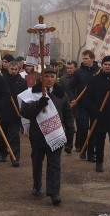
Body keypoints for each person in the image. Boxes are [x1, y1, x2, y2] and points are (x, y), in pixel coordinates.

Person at [19, 67, 75, 206]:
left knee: (54, 164)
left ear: (55, 78)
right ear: (41, 78)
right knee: (37, 162)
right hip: (38, 135)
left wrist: (70, 134)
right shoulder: (32, 93)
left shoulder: (61, 95)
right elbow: (25, 112)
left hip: (56, 135)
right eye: (46, 76)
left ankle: (54, 192)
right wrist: (38, 105)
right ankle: (37, 185)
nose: (49, 79)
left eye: (52, 76)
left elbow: (68, 116)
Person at [70, 50, 99, 161]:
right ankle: (83, 148)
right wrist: (73, 98)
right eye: (83, 58)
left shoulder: (99, 71)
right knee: (83, 127)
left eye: (86, 58)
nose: (84, 60)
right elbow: (71, 87)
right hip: (82, 104)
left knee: (94, 129)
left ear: (92, 58)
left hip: (95, 104)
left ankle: (92, 153)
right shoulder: (78, 72)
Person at [0, 61, 28, 167]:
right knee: (3, 134)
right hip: (3, 111)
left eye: (16, 69)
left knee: (14, 136)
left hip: (16, 112)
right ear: (8, 69)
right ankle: (3, 153)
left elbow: (25, 97)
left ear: (19, 70)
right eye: (12, 69)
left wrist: (22, 110)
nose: (14, 71)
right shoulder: (2, 80)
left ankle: (15, 157)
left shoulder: (22, 81)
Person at [58, 60, 78, 154]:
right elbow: (60, 93)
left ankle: (78, 144)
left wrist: (76, 100)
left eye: (71, 68)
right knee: (69, 125)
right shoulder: (62, 79)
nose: (69, 70)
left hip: (78, 105)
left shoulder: (79, 78)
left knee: (80, 126)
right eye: (68, 68)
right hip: (67, 105)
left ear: (76, 68)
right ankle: (68, 145)